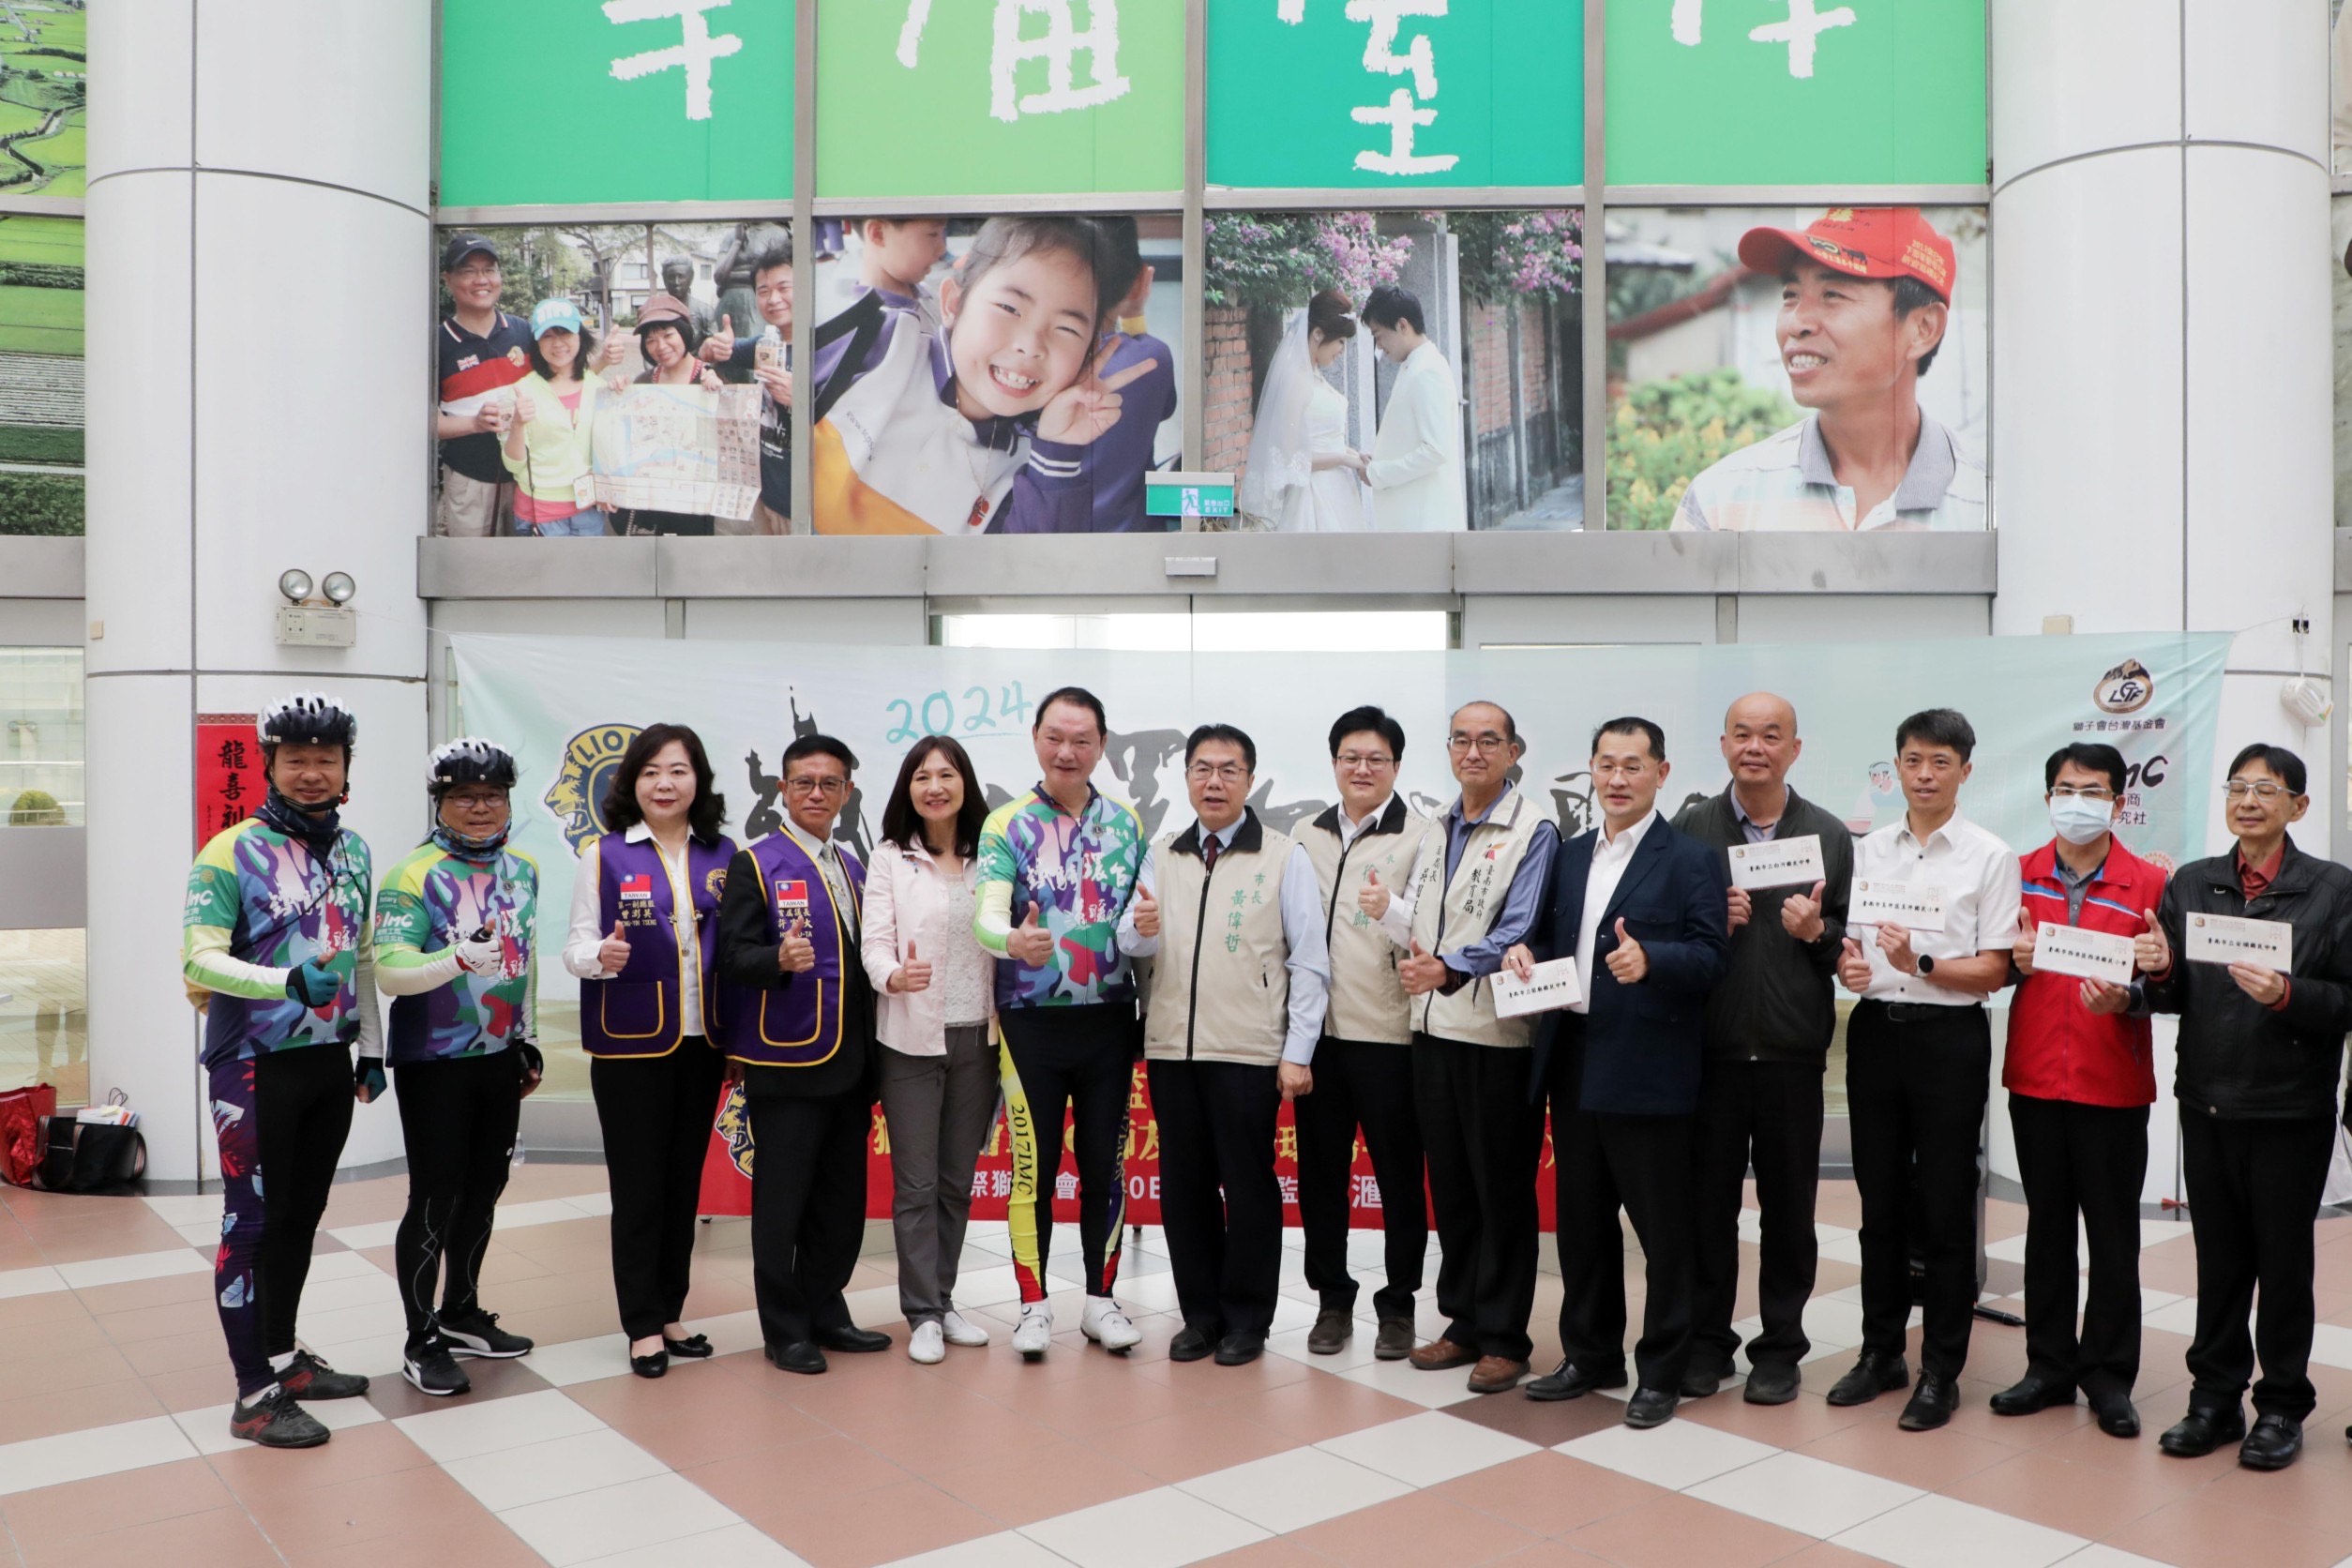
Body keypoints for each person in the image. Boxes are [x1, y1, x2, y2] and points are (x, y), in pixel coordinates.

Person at [1510, 718, 1727, 1428]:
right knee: (1582, 1223)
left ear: (1661, 774)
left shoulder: (1689, 859)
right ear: (1592, 771)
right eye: (1606, 764)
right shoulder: (1571, 854)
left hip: (1648, 1066)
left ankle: (1661, 1370)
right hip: (1573, 1057)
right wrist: (1524, 955)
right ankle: (1590, 1354)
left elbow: (1711, 957)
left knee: (1662, 1230)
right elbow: (1552, 938)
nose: (1618, 778)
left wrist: (1652, 959)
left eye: (1633, 766)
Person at [2145, 744, 2352, 1471]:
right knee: (2220, 1260)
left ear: (2298, 805)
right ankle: (2214, 1399)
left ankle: (2283, 1406)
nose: (2249, 801)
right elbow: (2173, 992)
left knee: (2283, 1264)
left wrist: (2288, 994)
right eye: (2238, 787)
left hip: (2291, 1109)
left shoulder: (2332, 889)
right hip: (2207, 1101)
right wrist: (2154, 974)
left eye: (2267, 789)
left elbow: (2348, 1002)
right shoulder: (2193, 883)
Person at [182, 692, 380, 1448]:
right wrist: (286, 982)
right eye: (295, 759)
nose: (311, 772)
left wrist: (372, 1046)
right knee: (252, 1222)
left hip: (327, 1061)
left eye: (326, 759)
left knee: (300, 1216)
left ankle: (283, 1359)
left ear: (346, 768)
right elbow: (199, 958)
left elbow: (363, 957)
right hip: (253, 1062)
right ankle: (252, 1394)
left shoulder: (356, 851)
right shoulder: (229, 851)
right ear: (268, 765)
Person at [1831, 708, 2020, 1432]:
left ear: (1964, 771)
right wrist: (1852, 967)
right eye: (1913, 760)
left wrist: (1922, 963)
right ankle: (1881, 1352)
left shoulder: (1989, 856)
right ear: (1897, 767)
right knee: (1878, 1203)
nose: (1925, 774)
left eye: (1941, 762)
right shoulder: (1870, 850)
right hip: (1876, 1032)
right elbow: (1855, 952)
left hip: (1949, 1040)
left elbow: (1994, 971)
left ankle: (1942, 1369)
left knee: (1944, 1207)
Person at [1119, 724, 1330, 1366]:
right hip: (1172, 1050)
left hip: (1247, 1050)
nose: (1214, 782)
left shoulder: (1284, 856)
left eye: (1228, 770)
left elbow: (1309, 960)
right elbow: (1131, 942)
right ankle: (1201, 1316)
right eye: (1202, 769)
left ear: (1249, 779)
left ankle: (1247, 1319)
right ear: (1186, 778)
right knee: (1184, 1189)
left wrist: (1298, 1050)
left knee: (1248, 1187)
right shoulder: (1161, 854)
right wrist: (1140, 928)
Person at [1670, 693, 1853, 1406]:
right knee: (1705, 1209)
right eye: (1742, 734)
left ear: (1794, 749)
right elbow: (1665, 934)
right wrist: (1710, 922)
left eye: (1771, 735)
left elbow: (1849, 949)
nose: (1756, 747)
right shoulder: (1691, 829)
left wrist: (1817, 933)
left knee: (1788, 1213)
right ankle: (1707, 1343)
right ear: (1723, 745)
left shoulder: (1829, 835)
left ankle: (1780, 1348)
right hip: (1708, 1052)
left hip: (1789, 1052)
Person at [1997, 742, 2168, 1440]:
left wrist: (2140, 988)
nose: (2078, 803)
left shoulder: (2150, 884)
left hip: (2113, 1082)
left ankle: (2109, 1376)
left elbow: (2169, 984)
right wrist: (2012, 963)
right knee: (2046, 1229)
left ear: (2119, 802)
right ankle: (2048, 1367)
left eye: (2093, 791)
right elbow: (1991, 964)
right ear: (2047, 799)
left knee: (2113, 1235)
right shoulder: (2017, 874)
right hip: (2036, 1076)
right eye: (2066, 790)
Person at [973, 686, 1149, 1360]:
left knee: (1105, 1164)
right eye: (1054, 737)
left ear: (1101, 745)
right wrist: (1012, 942)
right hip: (1030, 1026)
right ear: (1036, 739)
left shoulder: (1127, 825)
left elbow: (1140, 927)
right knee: (1033, 1170)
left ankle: (1101, 1302)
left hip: (1110, 1022)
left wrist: (1148, 926)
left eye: (1081, 740)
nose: (1066, 752)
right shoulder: (1006, 825)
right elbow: (987, 917)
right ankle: (1033, 1305)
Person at [563, 723, 737, 1379]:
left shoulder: (724, 855)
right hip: (630, 1045)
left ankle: (669, 1310)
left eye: (678, 771)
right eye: (651, 772)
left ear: (699, 781)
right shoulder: (604, 855)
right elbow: (575, 947)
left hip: (703, 1041)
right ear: (631, 783)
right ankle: (641, 1324)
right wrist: (600, 957)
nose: (665, 784)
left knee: (683, 1184)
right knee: (639, 1188)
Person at [717, 733, 892, 1375]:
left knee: (841, 1203)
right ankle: (785, 1329)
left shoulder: (854, 866)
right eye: (803, 783)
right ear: (782, 790)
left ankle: (827, 1309)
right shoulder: (755, 863)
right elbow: (732, 958)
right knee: (782, 1205)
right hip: (786, 1062)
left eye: (829, 784)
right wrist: (777, 958)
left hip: (852, 1063)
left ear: (847, 792)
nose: (816, 794)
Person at [373, 738, 542, 1397]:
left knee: (485, 1186)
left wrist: (526, 1036)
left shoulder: (523, 869)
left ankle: (462, 1312)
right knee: (435, 1196)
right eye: (464, 796)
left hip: (498, 1057)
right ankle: (421, 1339)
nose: (480, 807)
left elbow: (524, 956)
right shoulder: (412, 874)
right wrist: (456, 960)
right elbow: (391, 972)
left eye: (493, 795)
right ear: (439, 801)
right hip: (434, 1061)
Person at [1397, 701, 1559, 1394]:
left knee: (1501, 1191)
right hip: (1432, 1028)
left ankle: (1505, 1337)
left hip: (1496, 1036)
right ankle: (1462, 1322)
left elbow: (1519, 927)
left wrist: (1449, 967)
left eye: (1489, 741)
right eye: (1461, 740)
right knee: (1453, 1186)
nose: (1473, 752)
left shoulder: (1533, 829)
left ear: (1513, 752)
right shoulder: (1437, 826)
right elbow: (1419, 913)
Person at [813, 217, 1160, 535]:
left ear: (1088, 352)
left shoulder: (1033, 462)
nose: (1030, 346)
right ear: (952, 303)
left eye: (1067, 328)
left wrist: (1058, 449)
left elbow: (1023, 572)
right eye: (1009, 308)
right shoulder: (884, 341)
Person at [1673, 207, 1984, 534]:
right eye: (1790, 296)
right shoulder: (1721, 503)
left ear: (1923, 328)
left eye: (1833, 295)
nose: (1796, 324)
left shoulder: (1989, 503)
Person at [1292, 705, 1431, 1359]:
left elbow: (1435, 932)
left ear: (1397, 766)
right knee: (1320, 1177)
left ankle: (1399, 1306)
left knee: (1400, 1179)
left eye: (1377, 758)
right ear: (1334, 763)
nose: (1363, 768)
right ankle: (1332, 1301)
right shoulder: (1305, 834)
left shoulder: (1422, 837)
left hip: (1390, 1036)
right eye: (1351, 757)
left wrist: (1393, 911)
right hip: (1317, 1039)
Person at [862, 736, 999, 1364]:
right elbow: (874, 942)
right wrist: (893, 976)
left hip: (979, 1039)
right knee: (916, 1185)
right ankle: (921, 1314)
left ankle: (943, 1301)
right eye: (922, 776)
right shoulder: (890, 857)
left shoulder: (990, 857)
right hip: (911, 1041)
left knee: (955, 1183)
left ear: (965, 783)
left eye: (947, 774)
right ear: (908, 788)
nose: (935, 786)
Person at [1075, 218, 1179, 533]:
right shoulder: (1152, 359)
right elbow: (1165, 407)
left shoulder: (1032, 364)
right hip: (1136, 542)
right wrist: (1134, 314)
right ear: (1138, 282)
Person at [1239, 290, 1372, 534]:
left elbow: (1323, 438)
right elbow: (1291, 456)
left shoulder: (1314, 375)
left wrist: (1354, 454)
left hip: (1336, 490)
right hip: (1313, 495)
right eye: (1340, 341)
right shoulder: (1296, 381)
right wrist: (1343, 459)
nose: (1342, 350)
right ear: (1318, 334)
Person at [699, 236, 798, 534]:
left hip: (807, 503)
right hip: (768, 495)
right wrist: (712, 348)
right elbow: (710, 352)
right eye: (763, 291)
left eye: (784, 288)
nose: (773, 299)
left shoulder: (826, 348)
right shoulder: (764, 345)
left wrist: (801, 399)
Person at [435, 233, 531, 537]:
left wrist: (602, 363)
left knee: (527, 562)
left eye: (489, 270)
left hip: (527, 479)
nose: (481, 280)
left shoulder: (523, 331)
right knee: (471, 564)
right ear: (448, 280)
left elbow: (561, 386)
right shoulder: (437, 343)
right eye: (469, 271)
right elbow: (424, 422)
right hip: (470, 480)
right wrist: (475, 424)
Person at [614, 294, 725, 538]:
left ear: (684, 332)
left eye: (668, 335)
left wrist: (720, 397)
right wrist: (618, 395)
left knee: (691, 556)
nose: (661, 346)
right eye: (651, 340)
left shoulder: (709, 380)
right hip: (652, 499)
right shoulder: (643, 383)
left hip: (694, 501)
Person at [503, 298, 615, 538]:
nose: (558, 343)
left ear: (580, 336)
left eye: (565, 333)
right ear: (536, 343)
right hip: (540, 514)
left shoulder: (600, 387)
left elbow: (607, 451)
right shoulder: (520, 392)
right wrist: (517, 424)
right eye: (547, 336)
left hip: (589, 511)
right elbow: (513, 465)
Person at [1359, 285, 1466, 534]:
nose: (1379, 346)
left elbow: (1436, 451)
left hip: (1425, 521)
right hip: (1413, 519)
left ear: (1402, 325)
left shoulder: (1427, 371)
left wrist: (1378, 473)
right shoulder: (1415, 366)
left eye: (1379, 336)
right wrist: (1381, 458)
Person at [851, 216, 948, 329]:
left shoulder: (928, 293)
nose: (942, 249)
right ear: (878, 234)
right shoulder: (868, 329)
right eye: (933, 234)